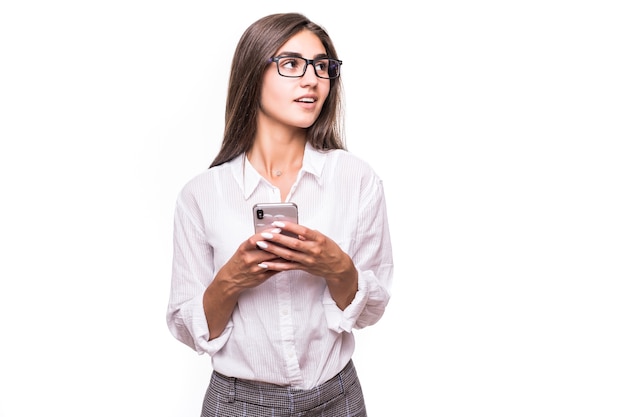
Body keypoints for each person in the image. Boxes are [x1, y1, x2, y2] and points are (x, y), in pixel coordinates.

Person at [166, 12, 393, 417]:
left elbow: (370, 311)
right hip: (239, 404)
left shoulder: (356, 178)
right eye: (291, 64)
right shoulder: (201, 195)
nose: (312, 80)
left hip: (337, 398)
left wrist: (338, 268)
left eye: (322, 67)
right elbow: (190, 330)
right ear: (253, 73)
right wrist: (231, 279)